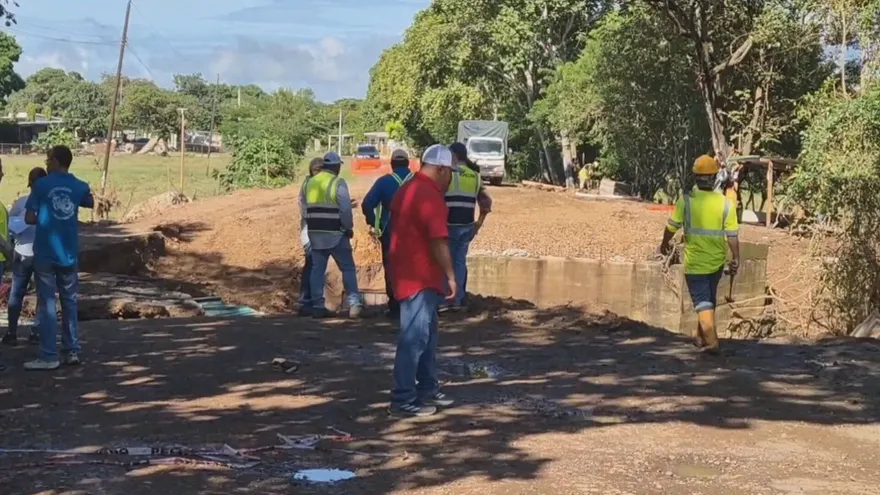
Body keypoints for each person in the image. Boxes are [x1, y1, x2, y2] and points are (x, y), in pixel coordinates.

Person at [388, 144, 458, 417]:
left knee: (426, 336)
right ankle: (403, 399)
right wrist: (452, 277)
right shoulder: (430, 196)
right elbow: (439, 240)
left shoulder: (408, 188)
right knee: (415, 338)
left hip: (408, 272)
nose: (451, 177)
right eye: (450, 171)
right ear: (440, 169)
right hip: (420, 276)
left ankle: (427, 388)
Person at [659, 154, 740, 355]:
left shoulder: (685, 202)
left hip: (695, 263)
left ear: (695, 177)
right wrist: (736, 257)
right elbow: (732, 236)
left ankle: (712, 343)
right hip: (717, 262)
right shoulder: (726, 203)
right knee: (708, 299)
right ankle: (700, 337)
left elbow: (671, 227)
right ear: (714, 178)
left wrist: (664, 244)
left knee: (702, 301)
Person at [24, 145, 95, 370]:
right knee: (69, 301)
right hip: (68, 252)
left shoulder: (41, 185)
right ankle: (71, 350)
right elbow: (90, 201)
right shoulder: (79, 185)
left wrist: (47, 219)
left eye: (48, 159)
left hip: (45, 251)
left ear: (55, 160)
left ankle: (48, 355)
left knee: (47, 303)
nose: (46, 162)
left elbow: (28, 217)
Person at [301, 151, 362, 319]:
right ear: (336, 166)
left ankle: (317, 306)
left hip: (315, 234)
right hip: (336, 234)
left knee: (317, 269)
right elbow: (345, 209)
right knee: (348, 268)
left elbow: (305, 209)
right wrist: (348, 228)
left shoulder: (309, 183)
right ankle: (354, 304)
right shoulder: (338, 183)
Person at [361, 149, 413, 318]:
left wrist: (373, 222)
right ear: (408, 163)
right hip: (415, 235)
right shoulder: (419, 182)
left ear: (391, 164)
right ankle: (412, 303)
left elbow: (367, 204)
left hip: (390, 233)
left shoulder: (384, 182)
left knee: (392, 268)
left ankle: (395, 306)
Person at [3, 167, 48, 346]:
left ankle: (12, 332)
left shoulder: (21, 202)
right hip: (41, 253)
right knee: (41, 294)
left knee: (17, 293)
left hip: (22, 252)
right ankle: (36, 331)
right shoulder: (48, 204)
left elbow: (10, 227)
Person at [445, 142, 490, 310]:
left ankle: (447, 299)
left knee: (445, 262)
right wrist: (477, 225)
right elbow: (486, 204)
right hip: (467, 225)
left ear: (454, 156)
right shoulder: (476, 176)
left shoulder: (448, 174)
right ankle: (458, 299)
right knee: (459, 261)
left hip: (448, 224)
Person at [297, 158, 324, 317]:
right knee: (311, 265)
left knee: (316, 266)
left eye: (321, 168)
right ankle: (307, 302)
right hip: (310, 232)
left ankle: (313, 301)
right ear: (311, 170)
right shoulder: (308, 185)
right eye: (316, 169)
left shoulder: (322, 185)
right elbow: (304, 210)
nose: (319, 171)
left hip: (319, 232)